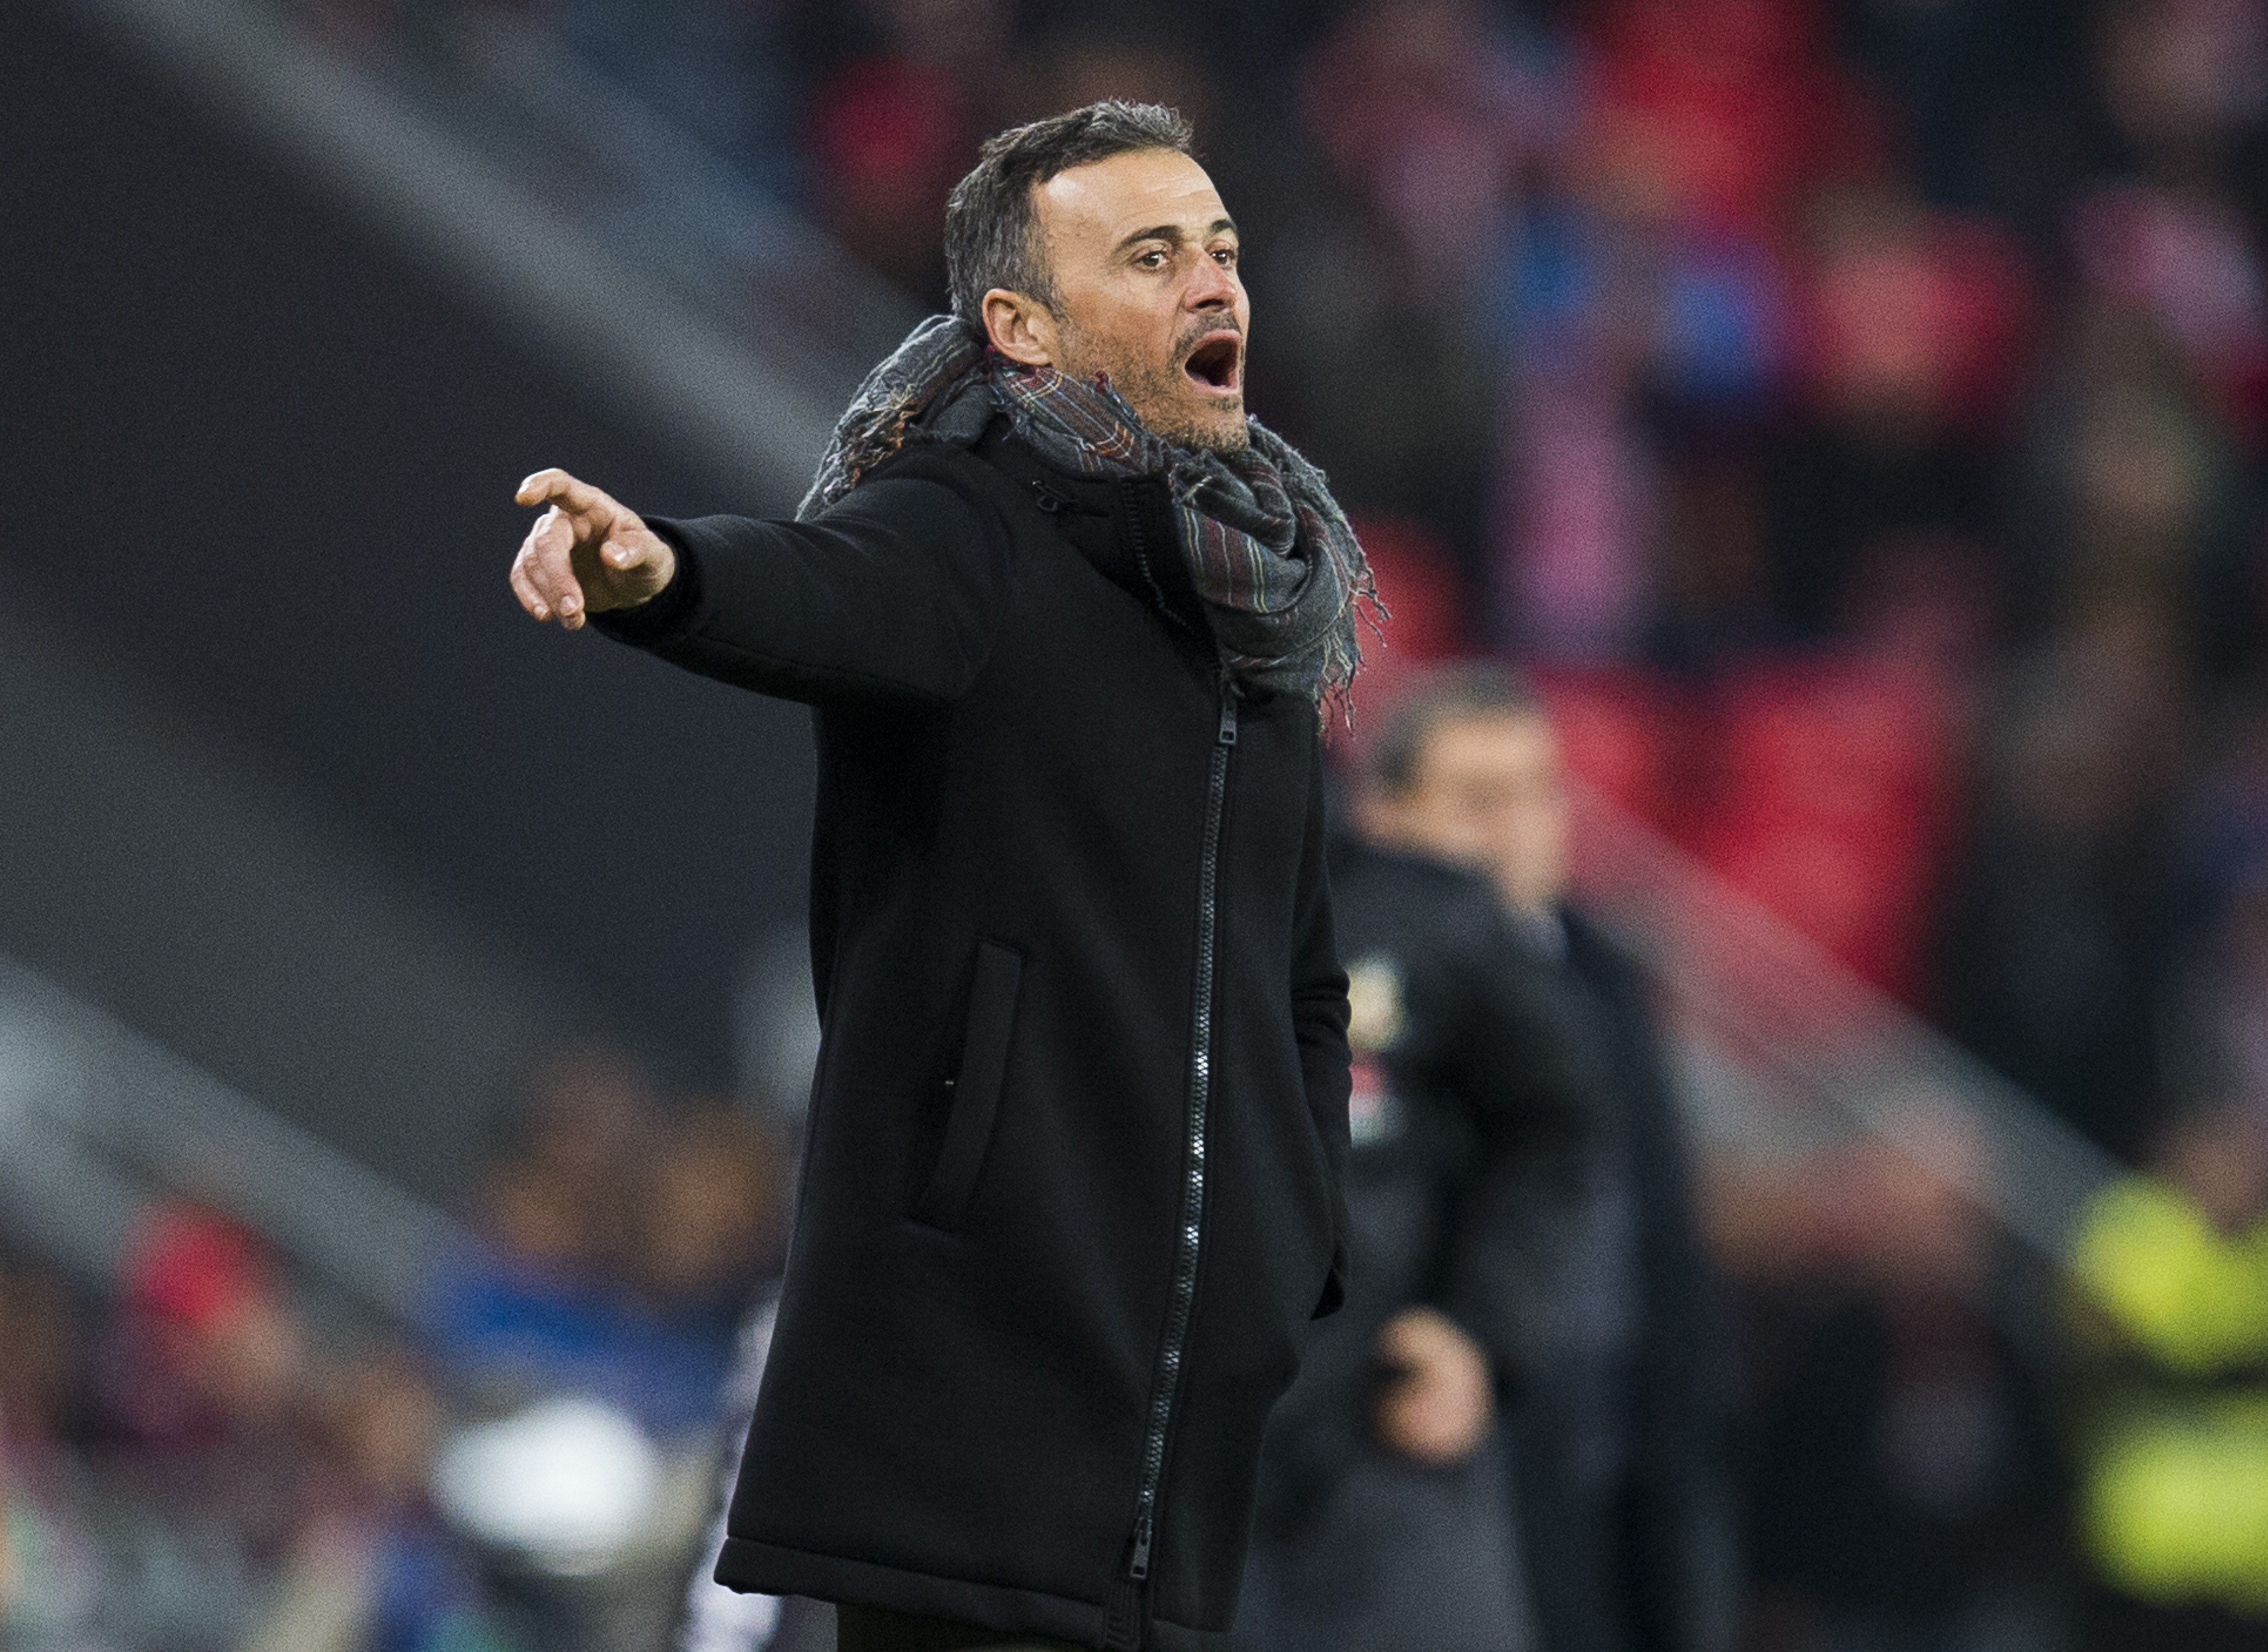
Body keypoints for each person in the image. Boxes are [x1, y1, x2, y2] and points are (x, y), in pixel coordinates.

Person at [504, 101, 1370, 1652]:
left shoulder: (1255, 615)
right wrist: (662, 575)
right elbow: (816, 590)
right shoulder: (966, 521)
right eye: (1154, 255)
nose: (1215, 285)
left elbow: (1301, 975)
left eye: (1223, 251)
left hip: (1172, 1434)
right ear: (1022, 327)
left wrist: (1288, 1230)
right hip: (972, 1399)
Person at [1352, 663, 1734, 1652]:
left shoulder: (1606, 976)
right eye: (1477, 799)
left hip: (1608, 1468)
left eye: (1536, 791)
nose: (1513, 826)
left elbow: (1657, 1233)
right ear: (1386, 817)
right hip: (1421, 1468)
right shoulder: (1352, 989)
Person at [1229, 814, 1596, 1652]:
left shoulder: (1433, 915)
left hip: (1376, 1436)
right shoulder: (1156, 880)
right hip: (1183, 1453)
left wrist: (1478, 1330)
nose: (1493, 833)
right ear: (1396, 797)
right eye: (1470, 795)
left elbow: (1555, 1122)